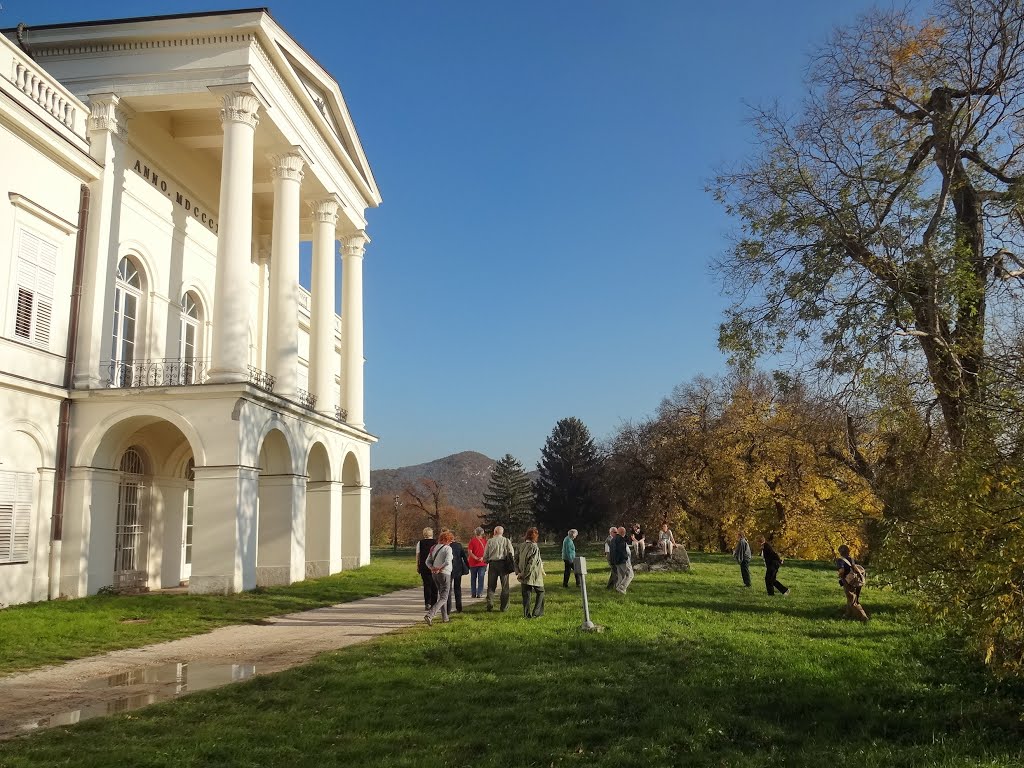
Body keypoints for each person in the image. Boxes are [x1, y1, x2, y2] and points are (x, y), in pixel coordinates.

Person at [424, 530, 454, 625]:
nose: (451, 542)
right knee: (444, 597)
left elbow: (427, 561)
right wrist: (439, 568)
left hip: (435, 574)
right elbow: (447, 561)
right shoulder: (447, 548)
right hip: (444, 573)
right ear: (446, 540)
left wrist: (432, 568)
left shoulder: (433, 547)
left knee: (442, 596)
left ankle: (445, 618)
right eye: (450, 540)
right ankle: (430, 615)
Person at [483, 525, 515, 612]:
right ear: (502, 532)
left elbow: (485, 554)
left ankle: (490, 603)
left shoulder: (490, 541)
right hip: (503, 564)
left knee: (491, 586)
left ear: (495, 532)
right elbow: (511, 552)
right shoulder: (506, 541)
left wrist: (486, 560)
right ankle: (504, 607)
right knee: (505, 587)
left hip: (493, 564)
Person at [517, 527, 546, 618]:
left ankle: (526, 614)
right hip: (533, 574)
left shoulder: (521, 545)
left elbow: (516, 559)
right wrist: (525, 573)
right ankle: (537, 613)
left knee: (526, 595)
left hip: (523, 573)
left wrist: (519, 572)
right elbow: (532, 563)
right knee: (541, 592)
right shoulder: (534, 547)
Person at [836, 544, 868, 622]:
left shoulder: (840, 560)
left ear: (840, 552)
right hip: (857, 582)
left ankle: (863, 617)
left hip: (849, 582)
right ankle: (848, 614)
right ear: (848, 551)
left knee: (852, 600)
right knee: (852, 598)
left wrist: (840, 575)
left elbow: (842, 571)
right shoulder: (852, 559)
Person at [447, 532, 470, 613]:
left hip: (448, 569)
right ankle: (459, 607)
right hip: (458, 569)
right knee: (457, 588)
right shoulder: (458, 545)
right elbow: (464, 557)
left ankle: (448, 609)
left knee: (448, 589)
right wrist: (468, 566)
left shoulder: (446, 546)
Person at [415, 527, 437, 611]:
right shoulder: (436, 542)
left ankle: (427, 603)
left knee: (427, 585)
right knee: (434, 585)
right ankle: (434, 603)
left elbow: (418, 555)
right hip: (434, 566)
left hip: (424, 566)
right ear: (431, 533)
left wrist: (417, 565)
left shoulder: (420, 543)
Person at [467, 527, 487, 599]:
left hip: (473, 563)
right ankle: (480, 593)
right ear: (482, 533)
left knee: (473, 579)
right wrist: (482, 557)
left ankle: (473, 593)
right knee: (481, 578)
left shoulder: (472, 541)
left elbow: (469, 551)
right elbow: (486, 552)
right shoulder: (485, 541)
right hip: (482, 562)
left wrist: (475, 557)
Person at [613, 526, 634, 594]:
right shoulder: (621, 540)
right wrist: (626, 558)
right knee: (630, 574)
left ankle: (618, 588)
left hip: (616, 560)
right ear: (623, 532)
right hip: (623, 560)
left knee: (621, 576)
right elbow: (622, 550)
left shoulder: (614, 539)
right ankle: (621, 588)